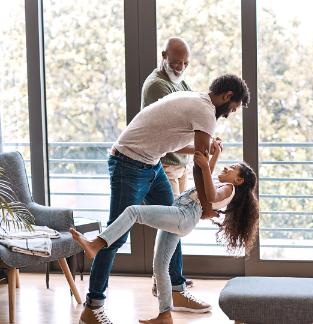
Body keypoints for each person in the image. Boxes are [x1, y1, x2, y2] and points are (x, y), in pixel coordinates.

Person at [79, 74, 250, 324]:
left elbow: (173, 143)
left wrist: (204, 150)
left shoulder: (195, 99)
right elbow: (197, 168)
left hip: (150, 163)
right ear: (227, 96)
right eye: (232, 108)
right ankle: (92, 307)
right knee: (116, 234)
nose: (229, 113)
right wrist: (205, 207)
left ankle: (175, 292)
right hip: (129, 163)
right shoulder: (206, 112)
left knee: (173, 224)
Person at [71, 145, 259, 324]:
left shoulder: (229, 189)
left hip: (182, 216)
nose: (227, 167)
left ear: (239, 180)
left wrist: (203, 164)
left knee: (133, 212)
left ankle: (96, 244)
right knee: (161, 267)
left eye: (233, 168)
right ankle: (165, 314)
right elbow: (204, 182)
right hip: (181, 217)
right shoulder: (223, 185)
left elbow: (209, 196)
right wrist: (214, 155)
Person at [141, 36, 195, 298]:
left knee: (176, 226)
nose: (181, 67)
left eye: (185, 63)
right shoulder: (157, 86)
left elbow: (190, 118)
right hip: (165, 166)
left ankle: (170, 278)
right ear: (163, 55)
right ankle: (170, 283)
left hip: (180, 166)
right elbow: (171, 134)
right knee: (173, 225)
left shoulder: (178, 81)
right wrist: (200, 145)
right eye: (176, 62)